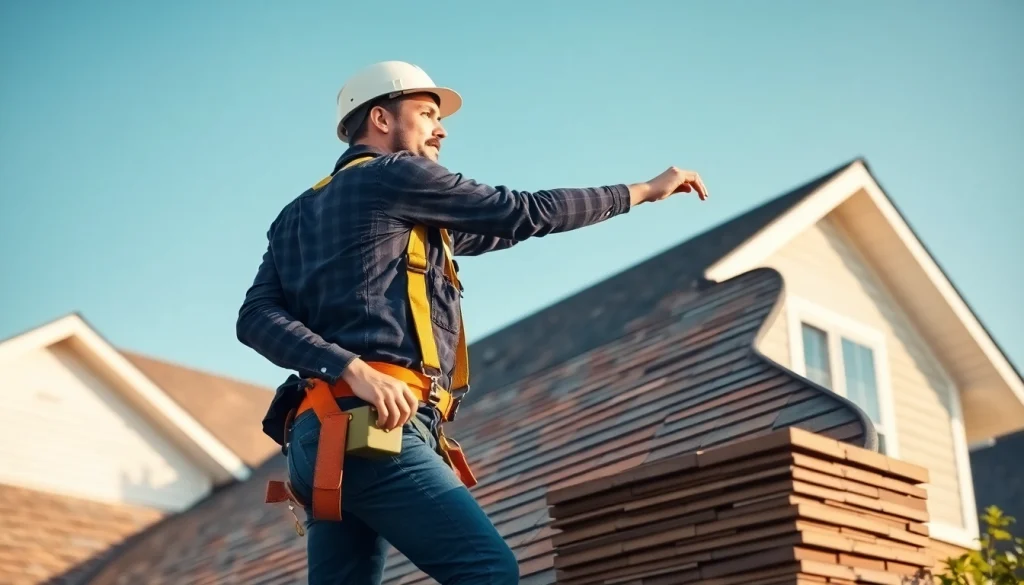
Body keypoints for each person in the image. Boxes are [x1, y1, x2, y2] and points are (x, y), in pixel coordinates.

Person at [235, 60, 709, 585]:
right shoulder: (395, 176)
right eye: (426, 113)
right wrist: (641, 190)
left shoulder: (295, 218)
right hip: (371, 428)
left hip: (315, 440)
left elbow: (256, 318)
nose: (441, 129)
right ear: (381, 119)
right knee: (488, 570)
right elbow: (523, 211)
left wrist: (339, 367)